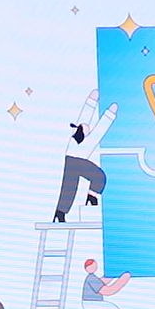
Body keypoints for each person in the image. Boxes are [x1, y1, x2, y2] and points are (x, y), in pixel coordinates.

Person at [54, 90, 118, 222]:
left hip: (77, 161)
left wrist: (106, 112)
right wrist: (106, 112)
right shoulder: (77, 136)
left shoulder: (88, 138)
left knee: (94, 177)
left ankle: (90, 197)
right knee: (71, 185)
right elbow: (90, 121)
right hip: (73, 160)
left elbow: (100, 128)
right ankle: (62, 211)